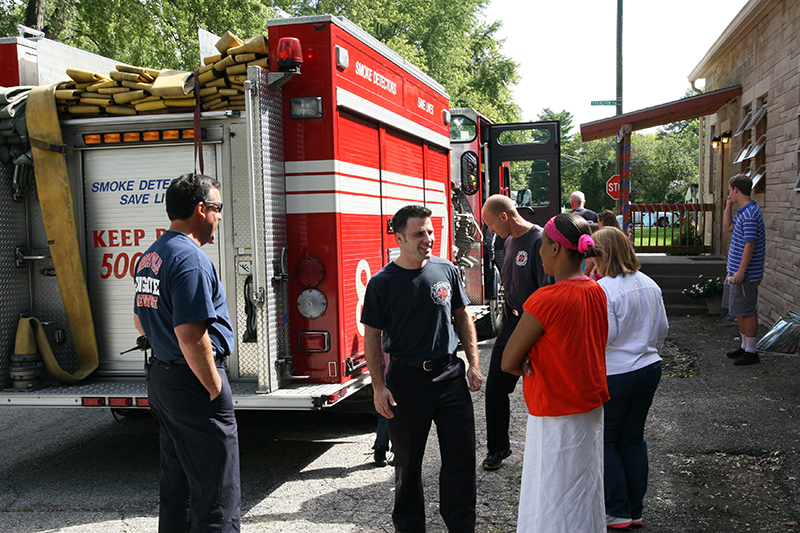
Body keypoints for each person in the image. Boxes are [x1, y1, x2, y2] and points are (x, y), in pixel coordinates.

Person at [361, 204, 483, 532]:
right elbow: (371, 337)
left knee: (460, 459)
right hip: (406, 380)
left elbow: (462, 316)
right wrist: (378, 386)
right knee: (407, 465)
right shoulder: (382, 283)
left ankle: (461, 526)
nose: (427, 238)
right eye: (418, 234)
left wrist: (473, 362)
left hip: (449, 375)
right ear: (399, 238)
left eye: (429, 232)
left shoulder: (446, 270)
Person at [133, 173, 240, 532]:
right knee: (215, 491)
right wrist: (214, 388)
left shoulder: (153, 255)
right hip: (193, 384)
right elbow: (192, 335)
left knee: (178, 485)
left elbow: (140, 319)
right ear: (201, 209)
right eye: (217, 208)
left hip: (165, 379)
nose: (220, 216)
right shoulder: (190, 259)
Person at [502, 212, 609, 532]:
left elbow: (508, 360)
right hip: (589, 404)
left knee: (551, 493)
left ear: (556, 250)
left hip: (555, 408)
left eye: (544, 244)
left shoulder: (545, 299)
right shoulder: (596, 290)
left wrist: (530, 361)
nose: (538, 250)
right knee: (584, 488)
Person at [591, 227, 668, 529]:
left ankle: (618, 510)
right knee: (633, 439)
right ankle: (634, 509)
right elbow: (662, 329)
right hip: (649, 366)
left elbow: (603, 337)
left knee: (607, 442)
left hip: (616, 372)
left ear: (603, 254)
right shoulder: (650, 284)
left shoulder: (604, 289)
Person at [480, 194, 548, 470]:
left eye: (490, 224)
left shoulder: (539, 241)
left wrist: (533, 340)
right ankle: (499, 448)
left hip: (533, 325)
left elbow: (546, 293)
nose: (490, 230)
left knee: (541, 388)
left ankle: (546, 450)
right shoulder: (508, 242)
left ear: (504, 216)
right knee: (495, 387)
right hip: (509, 322)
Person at [722, 174, 765, 366]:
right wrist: (728, 206)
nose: (729, 193)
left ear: (736, 189)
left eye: (731, 190)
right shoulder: (742, 212)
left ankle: (751, 350)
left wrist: (741, 271)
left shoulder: (750, 214)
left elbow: (750, 245)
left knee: (747, 310)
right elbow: (727, 227)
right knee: (739, 308)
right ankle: (744, 345)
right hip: (736, 269)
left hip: (745, 273)